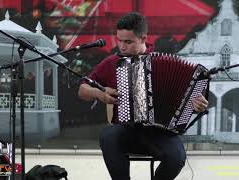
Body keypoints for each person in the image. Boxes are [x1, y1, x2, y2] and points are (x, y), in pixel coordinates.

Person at [78, 12, 208, 180]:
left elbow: (190, 102)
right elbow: (82, 89)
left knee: (177, 158)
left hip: (160, 134)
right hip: (126, 131)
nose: (122, 47)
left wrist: (197, 105)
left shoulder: (162, 60)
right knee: (108, 136)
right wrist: (100, 94)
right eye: (119, 40)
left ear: (143, 38)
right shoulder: (112, 62)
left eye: (128, 42)